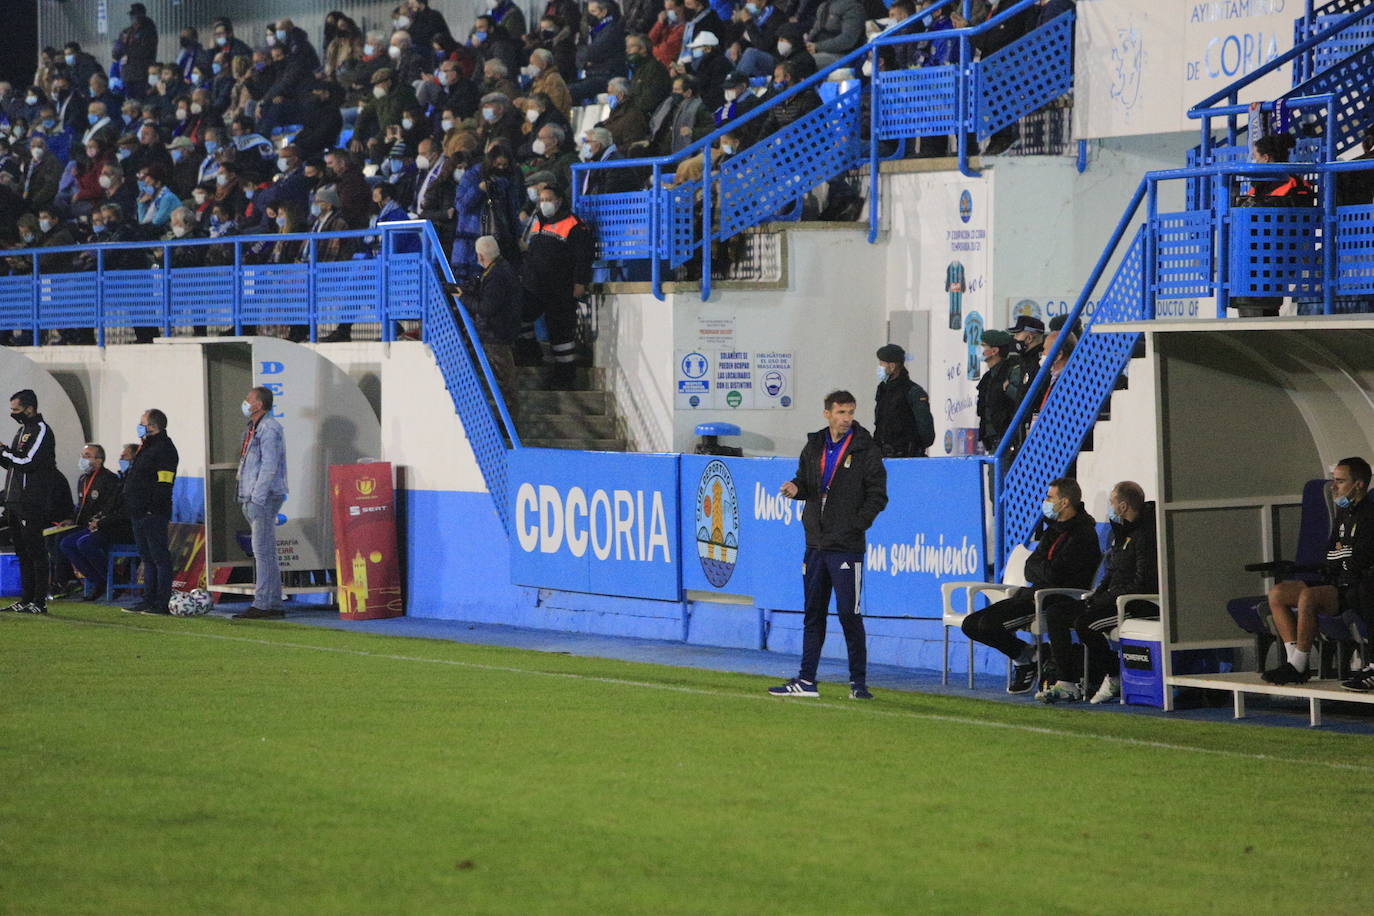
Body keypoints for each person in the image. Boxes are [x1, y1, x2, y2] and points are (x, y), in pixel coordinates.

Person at [768, 391, 887, 699]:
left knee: (850, 615)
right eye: (841, 412)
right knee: (813, 613)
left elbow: (878, 495)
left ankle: (858, 684)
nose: (846, 418)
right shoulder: (815, 445)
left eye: (850, 412)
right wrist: (796, 489)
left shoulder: (865, 449)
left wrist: (855, 525)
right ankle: (806, 681)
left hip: (847, 547)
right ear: (827, 414)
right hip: (816, 545)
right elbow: (806, 484)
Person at [962, 477, 1101, 694]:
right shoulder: (1053, 528)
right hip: (1033, 593)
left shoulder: (1083, 534)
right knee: (970, 624)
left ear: (1064, 502)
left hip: (1053, 598)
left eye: (1049, 497)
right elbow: (1030, 566)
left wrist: (1042, 569)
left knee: (989, 626)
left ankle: (1028, 660)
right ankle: (1031, 655)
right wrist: (1043, 569)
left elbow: (1055, 574)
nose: (1045, 501)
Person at [1037, 481, 1157, 704]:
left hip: (1133, 604)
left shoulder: (1145, 536)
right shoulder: (1121, 533)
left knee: (1086, 624)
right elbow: (1111, 573)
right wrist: (1098, 594)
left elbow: (1142, 582)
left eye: (1111, 502)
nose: (1109, 508)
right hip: (1110, 599)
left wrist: (1107, 598)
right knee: (1057, 613)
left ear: (1122, 506)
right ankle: (1067, 683)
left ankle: (1114, 675)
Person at [1264, 458, 1374, 685]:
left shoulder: (1369, 515)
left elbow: (1359, 559)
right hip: (1336, 579)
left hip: (1353, 586)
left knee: (1309, 596)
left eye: (1340, 481)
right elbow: (1330, 553)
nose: (1334, 487)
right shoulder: (1344, 513)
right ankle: (1294, 660)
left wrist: (1342, 556)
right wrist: (1343, 555)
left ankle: (1299, 665)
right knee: (1277, 593)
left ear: (1359, 484)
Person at [519, 183, 594, 388]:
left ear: (559, 201)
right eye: (541, 200)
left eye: (548, 199)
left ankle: (565, 374)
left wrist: (580, 282)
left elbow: (583, 257)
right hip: (535, 285)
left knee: (560, 332)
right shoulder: (538, 222)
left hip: (560, 287)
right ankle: (531, 354)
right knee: (521, 315)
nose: (544, 204)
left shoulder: (574, 224)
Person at [0, 390, 59, 615]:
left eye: (16, 410)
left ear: (30, 408)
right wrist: (3, 454)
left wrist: (3, 451)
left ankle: (39, 601)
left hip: (31, 501)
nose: (13, 414)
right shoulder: (22, 430)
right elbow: (14, 465)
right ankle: (25, 600)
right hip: (15, 500)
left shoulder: (41, 430)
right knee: (22, 552)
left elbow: (27, 461)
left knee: (36, 551)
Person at [232, 386, 289, 620]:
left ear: (258, 405)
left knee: (262, 552)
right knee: (265, 551)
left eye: (249, 399)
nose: (245, 402)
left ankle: (263, 603)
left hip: (263, 497)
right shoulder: (253, 427)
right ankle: (273, 602)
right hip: (251, 495)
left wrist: (257, 496)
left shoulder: (269, 428)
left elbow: (269, 465)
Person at [121, 409, 178, 616]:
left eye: (142, 422)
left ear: (152, 426)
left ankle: (161, 602)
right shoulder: (147, 447)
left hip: (153, 512)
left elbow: (164, 482)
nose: (139, 425)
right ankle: (148, 599)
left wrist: (152, 508)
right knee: (147, 558)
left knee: (159, 557)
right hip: (139, 512)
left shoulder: (164, 449)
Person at [58, 444, 127, 602]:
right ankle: (96, 580)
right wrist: (71, 520)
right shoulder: (83, 479)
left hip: (107, 527)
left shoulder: (110, 479)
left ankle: (114, 580)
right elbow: (81, 507)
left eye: (87, 455)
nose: (82, 459)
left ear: (99, 460)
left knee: (85, 543)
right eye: (82, 455)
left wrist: (99, 522)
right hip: (87, 526)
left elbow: (111, 508)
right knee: (65, 543)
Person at [465, 236, 523, 414]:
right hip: (499, 332)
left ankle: (508, 421)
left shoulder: (496, 275)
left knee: (504, 381)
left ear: (481, 256)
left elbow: (486, 308)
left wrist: (463, 297)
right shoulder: (500, 269)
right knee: (503, 380)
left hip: (495, 334)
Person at [872, 344, 935, 458]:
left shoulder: (913, 391)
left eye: (882, 364)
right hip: (884, 457)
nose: (879, 367)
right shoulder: (883, 389)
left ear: (892, 366)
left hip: (907, 458)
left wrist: (914, 449)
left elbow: (926, 432)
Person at [975, 329, 1025, 454]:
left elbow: (1019, 399)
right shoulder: (988, 377)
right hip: (992, 440)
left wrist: (1007, 388)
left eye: (983, 345)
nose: (980, 349)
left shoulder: (1012, 371)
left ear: (994, 350)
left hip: (1006, 440)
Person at [1008, 315, 1046, 381]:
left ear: (1029, 338)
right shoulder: (1026, 359)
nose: (1014, 338)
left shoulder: (1039, 363)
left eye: (1017, 334)